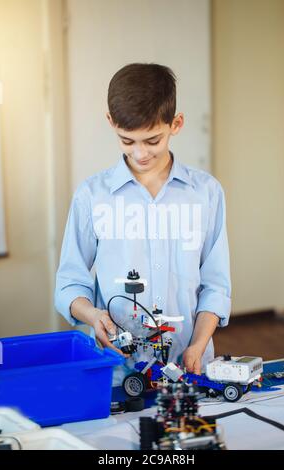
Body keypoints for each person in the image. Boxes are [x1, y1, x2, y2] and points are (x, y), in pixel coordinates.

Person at [54, 63, 231, 385]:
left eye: (152, 140)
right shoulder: (92, 196)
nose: (140, 153)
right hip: (117, 371)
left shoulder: (206, 193)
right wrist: (92, 316)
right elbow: (69, 283)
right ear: (111, 122)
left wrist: (199, 344)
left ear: (176, 124)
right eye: (127, 141)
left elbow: (216, 286)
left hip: (189, 365)